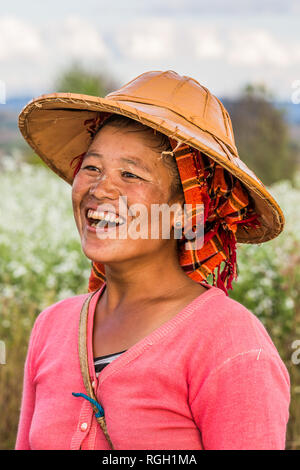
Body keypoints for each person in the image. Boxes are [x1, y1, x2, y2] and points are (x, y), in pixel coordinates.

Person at [15, 70, 290, 450]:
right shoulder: (51, 327)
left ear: (184, 211)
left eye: (130, 174)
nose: (100, 189)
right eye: (92, 167)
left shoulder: (230, 343)